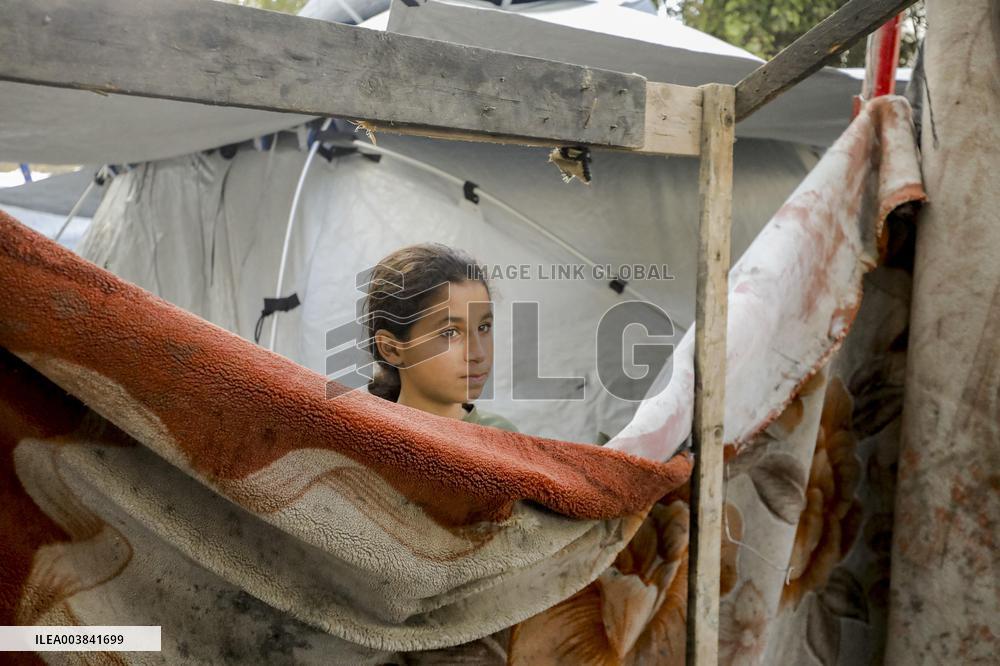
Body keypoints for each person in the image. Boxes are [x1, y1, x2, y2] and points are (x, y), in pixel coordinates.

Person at [363, 242, 518, 434]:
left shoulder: (505, 439)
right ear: (392, 348)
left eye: (483, 327)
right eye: (450, 332)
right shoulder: (363, 442)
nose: (478, 353)